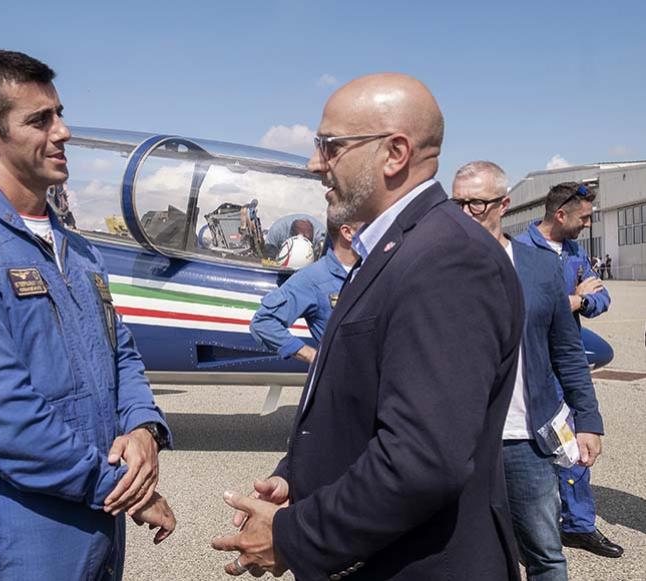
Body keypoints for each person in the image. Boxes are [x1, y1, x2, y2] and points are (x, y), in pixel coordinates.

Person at [212, 74, 525, 580]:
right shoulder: (396, 248)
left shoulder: (446, 258)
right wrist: (300, 477)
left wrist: (295, 535)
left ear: (394, 152)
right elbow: (370, 397)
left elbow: (423, 459)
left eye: (330, 146)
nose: (316, 162)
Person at [0, 50, 175, 580]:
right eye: (39, 120)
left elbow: (122, 353)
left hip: (101, 527)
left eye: (59, 113)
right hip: (28, 535)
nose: (63, 131)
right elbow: (0, 417)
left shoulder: (79, 250)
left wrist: (143, 429)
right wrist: (118, 487)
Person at [453, 161, 605, 580]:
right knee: (462, 554)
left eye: (477, 204)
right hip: (458, 439)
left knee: (545, 554)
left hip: (525, 439)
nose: (465, 213)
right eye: (457, 203)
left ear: (503, 204)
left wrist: (588, 420)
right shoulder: (439, 267)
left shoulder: (539, 269)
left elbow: (567, 351)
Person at [516, 183, 622, 559]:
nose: (589, 224)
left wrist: (585, 300)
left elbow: (602, 296)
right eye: (585, 217)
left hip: (567, 362)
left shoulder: (575, 252)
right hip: (533, 368)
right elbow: (520, 307)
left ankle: (577, 525)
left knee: (575, 446)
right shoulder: (520, 252)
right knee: (534, 450)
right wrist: (575, 298)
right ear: (560, 215)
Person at [250, 204, 362, 364]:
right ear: (347, 233)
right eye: (369, 225)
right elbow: (263, 323)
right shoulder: (314, 278)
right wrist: (314, 357)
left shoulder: (377, 268)